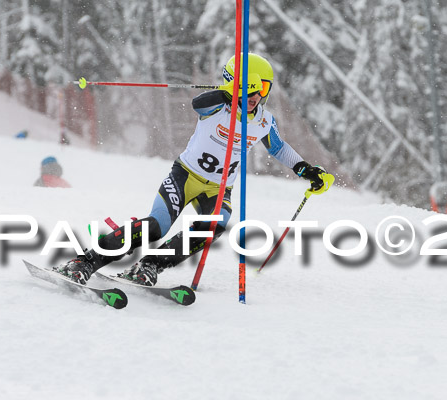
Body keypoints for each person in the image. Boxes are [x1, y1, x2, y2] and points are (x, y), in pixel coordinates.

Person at [55, 53, 332, 286]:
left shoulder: (263, 121)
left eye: (262, 90)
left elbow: (278, 147)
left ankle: (150, 266)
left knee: (213, 227)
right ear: (234, 85)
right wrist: (230, 91)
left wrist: (306, 170)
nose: (255, 96)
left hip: (219, 187)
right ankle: (85, 261)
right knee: (156, 227)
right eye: (249, 88)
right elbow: (196, 103)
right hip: (185, 177)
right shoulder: (216, 107)